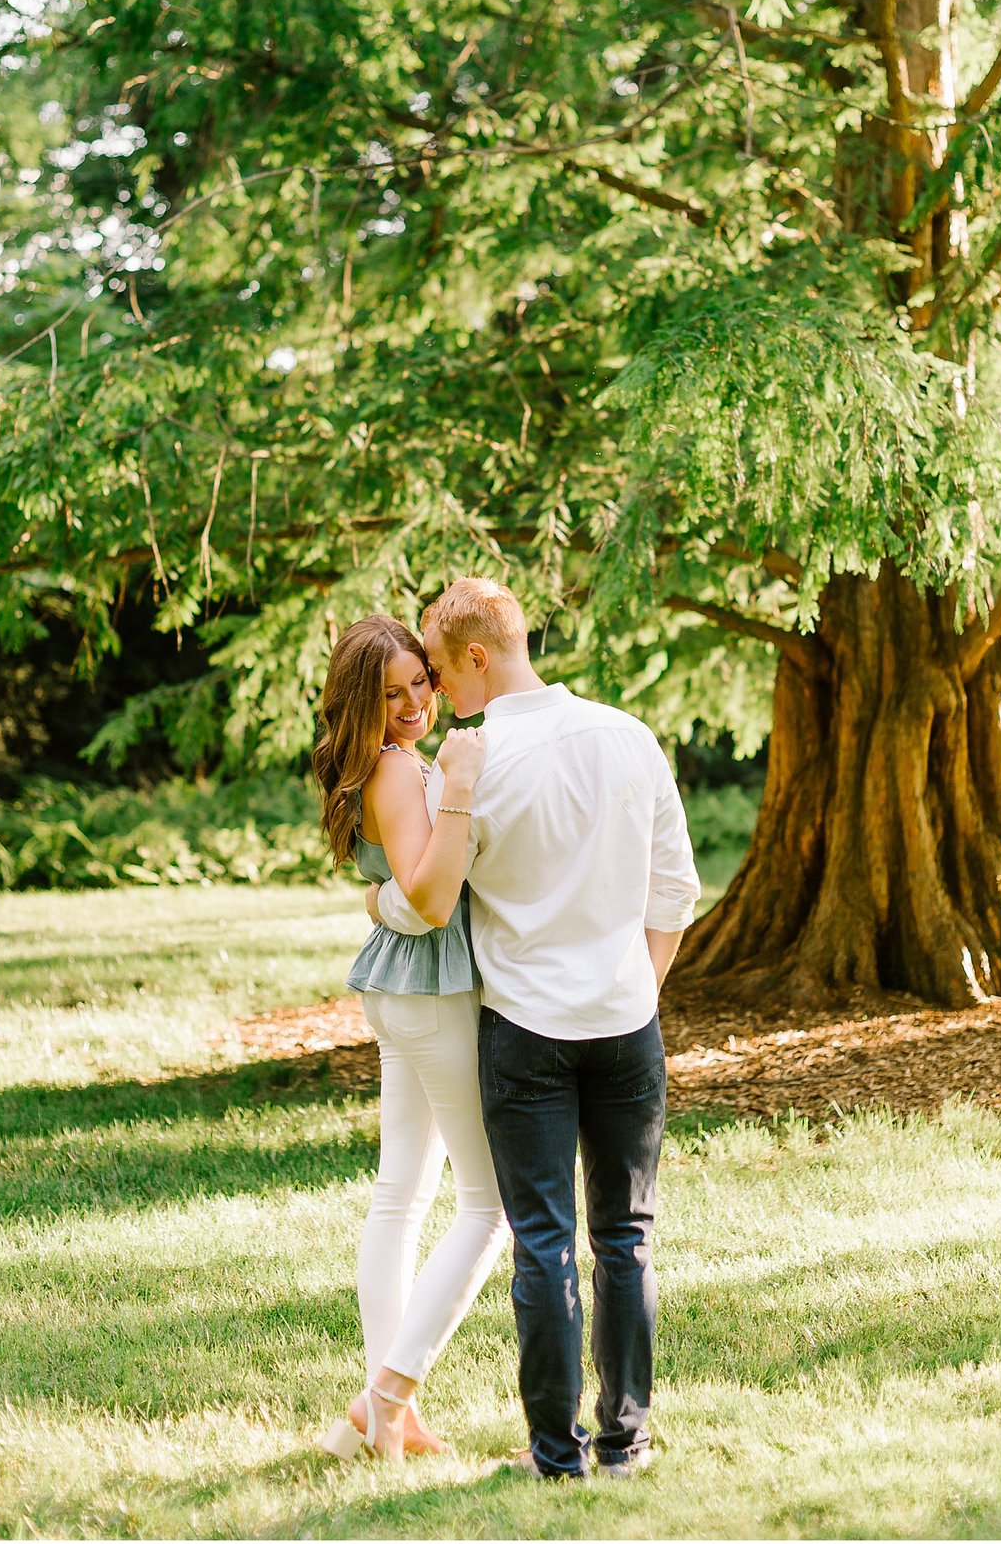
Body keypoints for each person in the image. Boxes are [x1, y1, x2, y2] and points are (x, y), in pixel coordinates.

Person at [372, 577, 700, 1480]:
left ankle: (556, 1455)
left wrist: (378, 901)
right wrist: (632, 985)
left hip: (524, 1032)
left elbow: (432, 896)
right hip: (627, 1022)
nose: (435, 697)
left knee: (544, 1240)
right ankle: (625, 1444)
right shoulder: (627, 737)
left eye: (438, 671)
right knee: (625, 1239)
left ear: (476, 656)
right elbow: (676, 889)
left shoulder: (469, 769)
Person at [307, 616, 507, 1463]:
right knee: (490, 1204)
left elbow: (396, 888)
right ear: (362, 704)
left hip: (400, 989)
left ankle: (388, 1410)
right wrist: (458, 784)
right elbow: (427, 898)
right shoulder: (395, 768)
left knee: (403, 1194)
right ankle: (388, 1393)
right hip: (426, 990)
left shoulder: (388, 765)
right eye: (390, 694)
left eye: (420, 681)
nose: (416, 702)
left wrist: (382, 898)